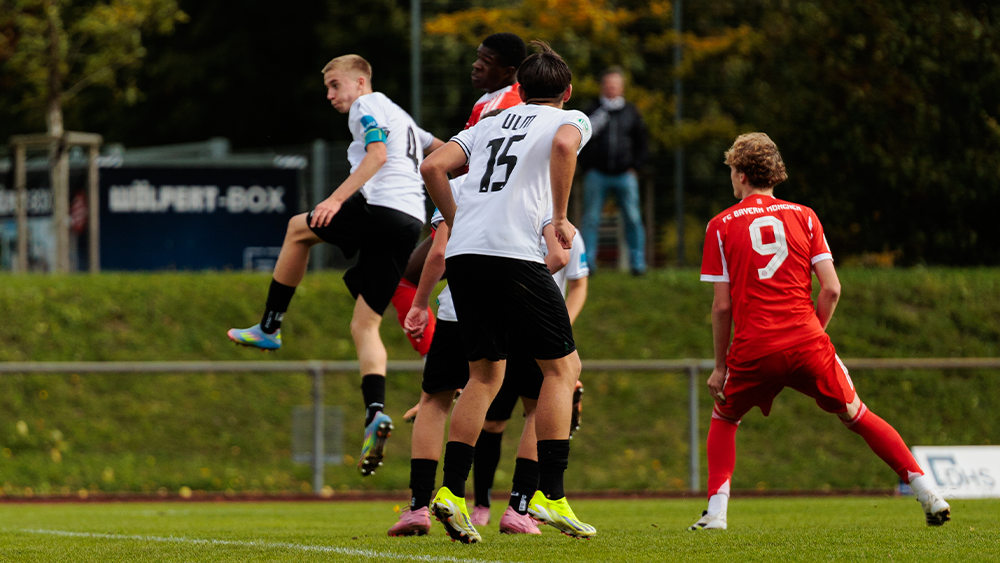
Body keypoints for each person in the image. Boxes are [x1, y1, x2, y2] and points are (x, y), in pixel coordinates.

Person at [691, 132, 951, 531]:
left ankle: (716, 514)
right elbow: (831, 288)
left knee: (724, 417)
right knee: (858, 415)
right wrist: (812, 333)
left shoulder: (720, 225)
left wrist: (720, 366)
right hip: (807, 342)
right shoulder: (806, 216)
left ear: (741, 174)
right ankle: (927, 494)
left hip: (754, 347)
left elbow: (722, 306)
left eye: (730, 171)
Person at [226, 54, 443, 477]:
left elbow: (377, 155)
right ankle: (374, 414)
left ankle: (269, 327)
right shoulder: (403, 116)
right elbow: (441, 151)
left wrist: (336, 198)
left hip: (382, 208)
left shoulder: (366, 106)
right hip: (410, 222)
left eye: (335, 85)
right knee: (364, 324)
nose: (330, 95)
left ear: (360, 82)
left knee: (296, 228)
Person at [420, 40, 595, 544]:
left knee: (484, 374)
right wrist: (560, 216)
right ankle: (551, 496)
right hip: (513, 254)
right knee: (563, 370)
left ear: (519, 87)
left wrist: (460, 222)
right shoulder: (573, 118)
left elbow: (432, 167)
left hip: (465, 256)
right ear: (566, 90)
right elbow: (563, 146)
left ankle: (451, 492)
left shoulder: (487, 122)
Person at [386, 177, 570, 537]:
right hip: (520, 313)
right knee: (540, 400)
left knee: (436, 400)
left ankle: (421, 506)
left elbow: (439, 252)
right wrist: (521, 290)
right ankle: (520, 508)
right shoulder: (536, 179)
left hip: (460, 308)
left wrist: (421, 303)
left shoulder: (457, 183)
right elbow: (560, 255)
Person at [386, 32, 528, 358]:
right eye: (478, 56)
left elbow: (469, 162)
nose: (476, 66)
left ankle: (440, 366)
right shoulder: (502, 98)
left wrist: (454, 218)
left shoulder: (499, 105)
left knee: (410, 277)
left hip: (472, 208)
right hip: (484, 210)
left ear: (509, 70)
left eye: (486, 62)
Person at [469, 221, 588, 533]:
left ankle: (518, 507)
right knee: (492, 420)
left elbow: (578, 284)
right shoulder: (514, 221)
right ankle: (481, 503)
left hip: (539, 332)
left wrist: (561, 326)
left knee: (537, 412)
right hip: (506, 330)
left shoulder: (569, 232)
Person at [579, 66, 649, 276]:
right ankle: (587, 264)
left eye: (615, 85)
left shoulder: (632, 112)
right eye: (608, 85)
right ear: (603, 86)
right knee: (591, 219)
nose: (611, 89)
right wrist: (587, 167)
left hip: (624, 175)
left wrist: (635, 166)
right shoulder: (591, 111)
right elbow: (580, 141)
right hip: (596, 174)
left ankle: (638, 264)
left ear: (622, 87)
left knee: (633, 218)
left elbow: (642, 143)